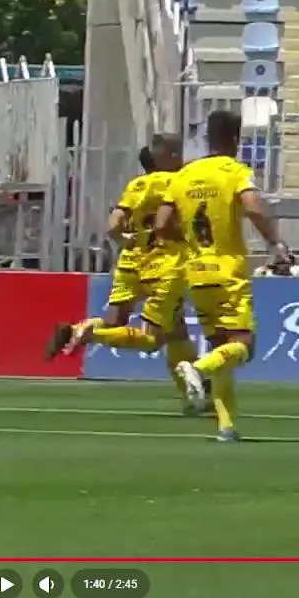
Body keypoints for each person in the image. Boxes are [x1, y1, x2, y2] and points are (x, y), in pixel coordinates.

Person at [157, 110, 293, 442]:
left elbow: (161, 224)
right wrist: (275, 242)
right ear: (235, 139)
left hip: (196, 274)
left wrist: (188, 241)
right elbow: (253, 207)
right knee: (244, 345)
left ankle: (226, 426)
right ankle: (197, 369)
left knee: (222, 348)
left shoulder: (184, 174)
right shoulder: (234, 171)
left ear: (207, 137)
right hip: (227, 272)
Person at [48, 134, 207, 413]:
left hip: (131, 263)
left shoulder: (137, 185)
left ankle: (193, 397)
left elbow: (113, 226)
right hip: (166, 266)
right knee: (154, 339)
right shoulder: (179, 182)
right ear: (171, 155)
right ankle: (84, 332)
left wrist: (127, 241)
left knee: (158, 328)